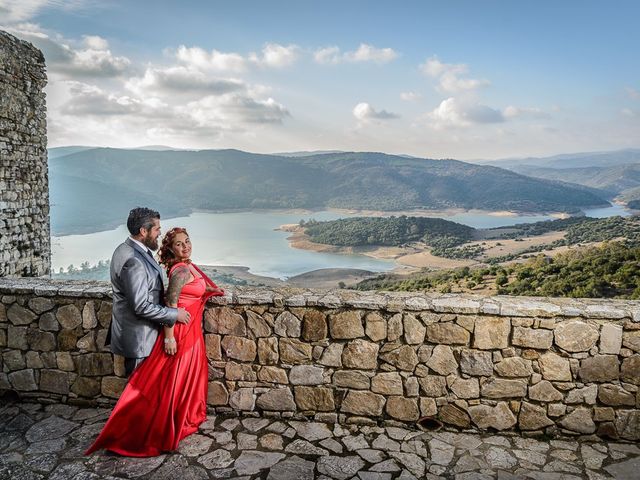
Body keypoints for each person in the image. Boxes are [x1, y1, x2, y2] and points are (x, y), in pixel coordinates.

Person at [86, 227, 224, 457]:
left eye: (187, 241)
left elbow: (192, 291)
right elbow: (171, 304)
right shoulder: (179, 271)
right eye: (179, 244)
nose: (185, 246)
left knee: (179, 381)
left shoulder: (188, 266)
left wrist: (208, 289)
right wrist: (169, 338)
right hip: (180, 332)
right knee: (168, 383)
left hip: (190, 331)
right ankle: (144, 429)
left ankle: (175, 418)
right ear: (170, 249)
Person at [107, 207, 191, 377]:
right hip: (139, 339)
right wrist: (174, 314)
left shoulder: (125, 249)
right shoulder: (133, 260)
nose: (159, 233)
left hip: (136, 335)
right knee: (138, 394)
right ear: (143, 231)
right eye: (156, 229)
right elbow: (140, 306)